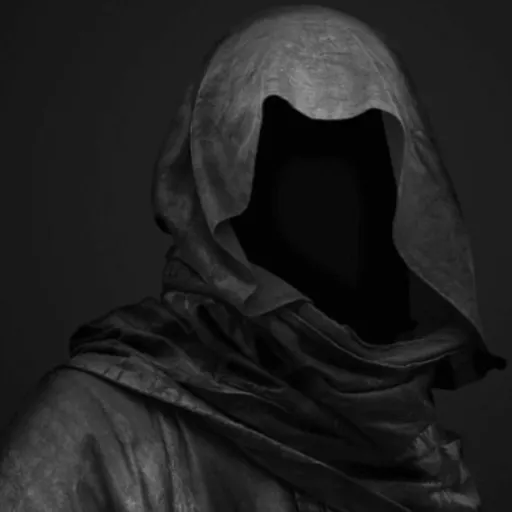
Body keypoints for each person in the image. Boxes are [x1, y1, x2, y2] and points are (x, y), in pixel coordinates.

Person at [0, 5, 506, 511]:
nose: (350, 205)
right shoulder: (93, 431)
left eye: (368, 160)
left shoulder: (405, 442)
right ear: (225, 194)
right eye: (307, 163)